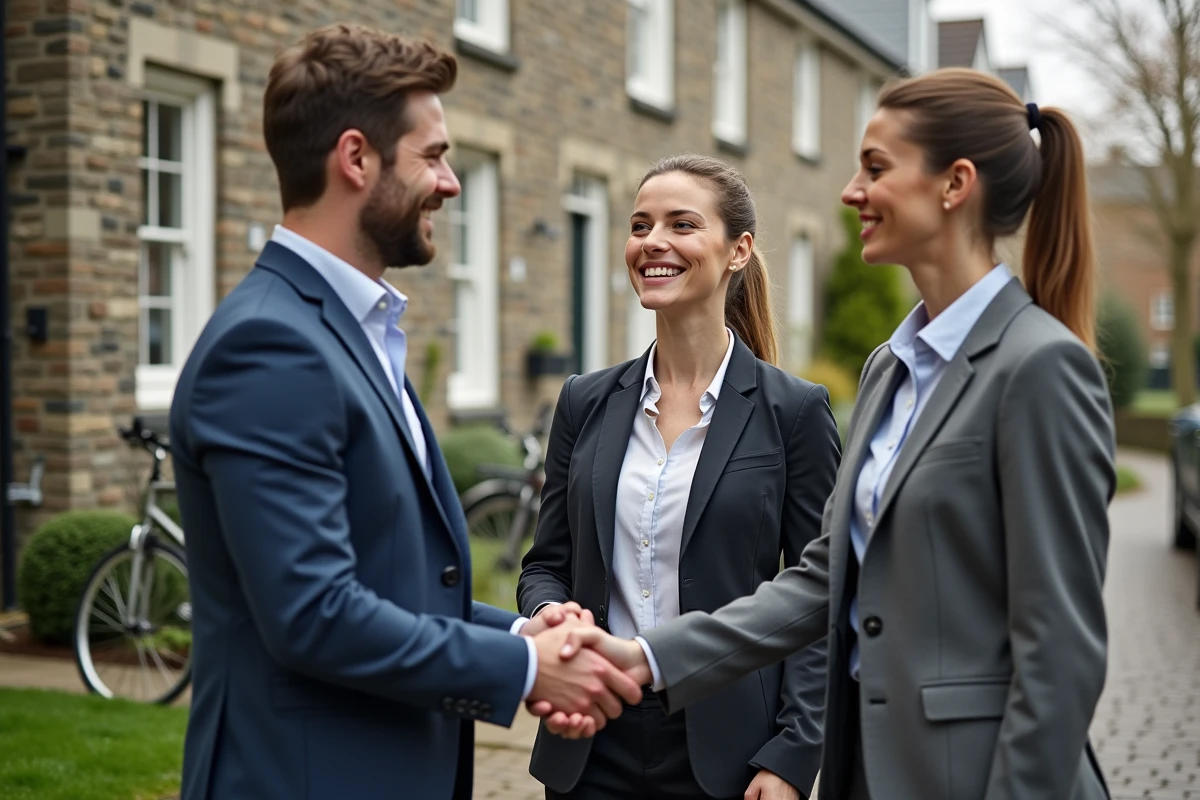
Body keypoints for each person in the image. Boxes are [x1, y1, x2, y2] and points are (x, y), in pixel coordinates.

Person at [543, 67, 1117, 800]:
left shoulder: (1040, 367)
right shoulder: (891, 370)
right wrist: (644, 658)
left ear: (955, 184)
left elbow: (1060, 653)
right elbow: (823, 581)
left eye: (876, 168)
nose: (851, 192)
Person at [167, 24, 639, 800]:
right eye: (433, 155)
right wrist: (525, 670)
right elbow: (315, 613)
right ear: (356, 158)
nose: (449, 182)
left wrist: (520, 632)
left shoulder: (352, 329)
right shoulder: (269, 346)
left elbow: (395, 580)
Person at [518, 154, 840, 800]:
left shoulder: (794, 413)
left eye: (681, 224)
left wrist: (792, 753)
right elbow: (545, 563)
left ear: (737, 250)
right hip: (590, 737)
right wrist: (551, 616)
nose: (653, 242)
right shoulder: (585, 401)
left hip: (731, 750)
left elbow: (823, 599)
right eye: (640, 226)